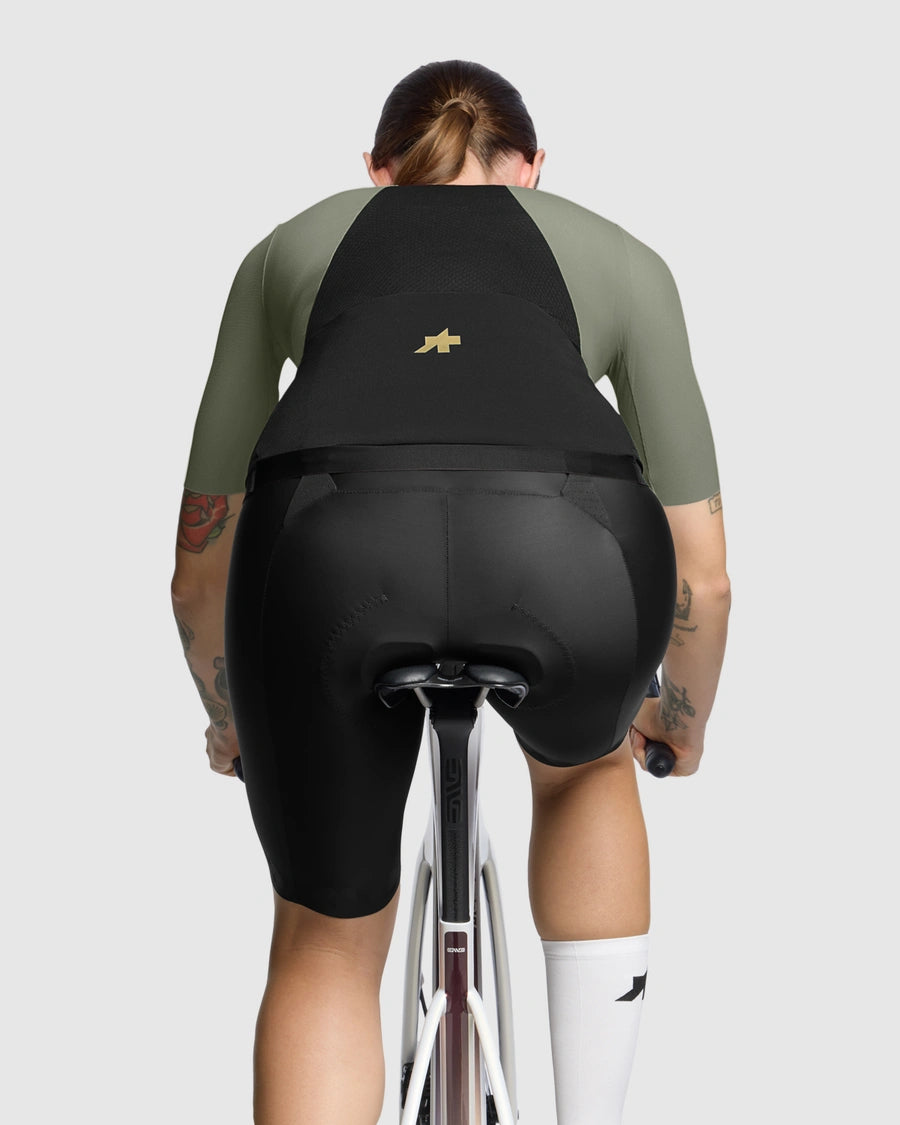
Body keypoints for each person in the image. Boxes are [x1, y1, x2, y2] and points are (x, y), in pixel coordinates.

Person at [170, 59, 730, 1125]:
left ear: (377, 172)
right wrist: (677, 721)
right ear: (534, 168)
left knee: (326, 943)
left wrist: (237, 717)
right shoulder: (622, 258)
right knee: (588, 770)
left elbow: (199, 561)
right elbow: (704, 572)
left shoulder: (286, 249)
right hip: (569, 550)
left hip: (328, 550)